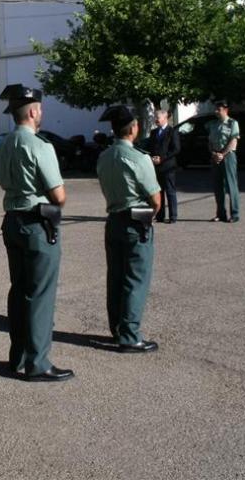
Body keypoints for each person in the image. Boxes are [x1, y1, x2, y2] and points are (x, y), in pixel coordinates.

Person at [0, 84, 72, 382]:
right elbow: (59, 195)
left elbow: (2, 181)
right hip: (37, 223)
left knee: (20, 291)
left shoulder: (4, 144)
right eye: (39, 109)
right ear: (33, 111)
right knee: (40, 294)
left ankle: (19, 356)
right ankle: (38, 363)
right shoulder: (40, 146)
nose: (41, 113)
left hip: (12, 219)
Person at [97, 105, 162, 353]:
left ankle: (118, 328)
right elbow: (156, 199)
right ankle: (130, 335)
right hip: (135, 222)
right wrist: (150, 215)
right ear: (133, 129)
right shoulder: (139, 158)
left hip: (113, 220)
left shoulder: (104, 157)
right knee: (135, 279)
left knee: (116, 277)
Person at [208, 100, 240, 223]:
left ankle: (235, 214)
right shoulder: (213, 124)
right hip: (216, 156)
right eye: (216, 109)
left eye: (219, 109)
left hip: (228, 156)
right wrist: (214, 153)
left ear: (225, 110)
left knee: (231, 185)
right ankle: (220, 213)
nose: (216, 111)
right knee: (218, 186)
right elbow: (209, 142)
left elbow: (233, 141)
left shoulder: (232, 123)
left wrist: (223, 154)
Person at [147, 109, 180, 224]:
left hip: (168, 166)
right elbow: (150, 147)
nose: (156, 120)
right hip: (156, 166)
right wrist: (151, 157)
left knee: (170, 191)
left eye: (158, 118)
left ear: (165, 118)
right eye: (155, 117)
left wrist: (162, 158)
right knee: (159, 191)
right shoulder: (154, 132)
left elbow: (176, 149)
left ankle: (173, 216)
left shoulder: (172, 131)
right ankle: (160, 216)